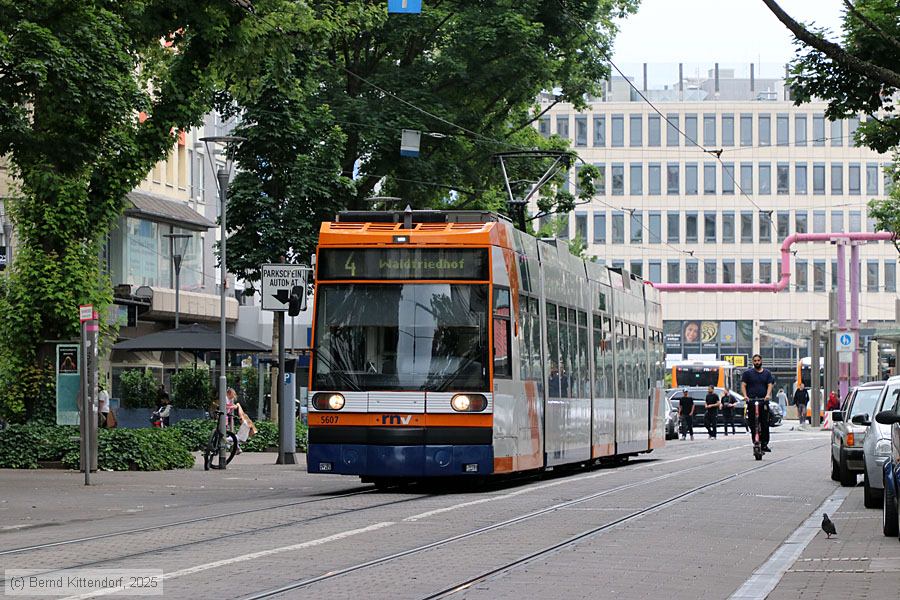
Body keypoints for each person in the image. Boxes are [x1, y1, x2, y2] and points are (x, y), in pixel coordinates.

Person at [741, 354, 774, 453]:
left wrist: (767, 395)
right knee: (752, 423)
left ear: (761, 361)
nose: (757, 362)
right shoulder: (747, 373)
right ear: (752, 362)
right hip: (751, 401)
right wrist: (745, 396)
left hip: (763, 401)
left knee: (764, 423)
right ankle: (755, 441)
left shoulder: (767, 373)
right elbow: (743, 385)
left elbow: (770, 385)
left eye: (758, 360)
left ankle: (764, 443)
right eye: (755, 361)